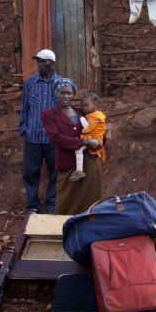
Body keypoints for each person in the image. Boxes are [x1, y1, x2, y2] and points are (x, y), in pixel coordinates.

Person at [40, 78, 104, 215]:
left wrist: (101, 138)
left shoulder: (82, 111)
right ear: (55, 93)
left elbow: (97, 127)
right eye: (62, 93)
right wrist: (85, 142)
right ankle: (63, 232)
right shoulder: (48, 115)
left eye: (69, 93)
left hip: (90, 162)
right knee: (66, 202)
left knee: (92, 200)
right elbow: (55, 138)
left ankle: (89, 232)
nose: (66, 96)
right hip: (68, 164)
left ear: (73, 94)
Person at [19, 49, 62, 214]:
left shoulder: (60, 83)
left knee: (55, 172)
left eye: (42, 61)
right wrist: (24, 129)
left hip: (53, 138)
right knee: (30, 173)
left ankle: (52, 205)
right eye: (38, 61)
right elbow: (25, 108)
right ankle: (33, 206)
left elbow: (64, 109)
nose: (39, 64)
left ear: (51, 63)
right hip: (33, 136)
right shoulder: (30, 83)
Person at [69, 92, 106, 181]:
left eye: (86, 106)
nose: (84, 108)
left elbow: (89, 128)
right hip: (91, 137)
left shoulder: (97, 117)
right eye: (83, 106)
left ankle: (79, 170)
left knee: (79, 148)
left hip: (95, 138)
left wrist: (81, 121)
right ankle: (79, 170)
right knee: (78, 149)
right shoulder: (91, 115)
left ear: (95, 105)